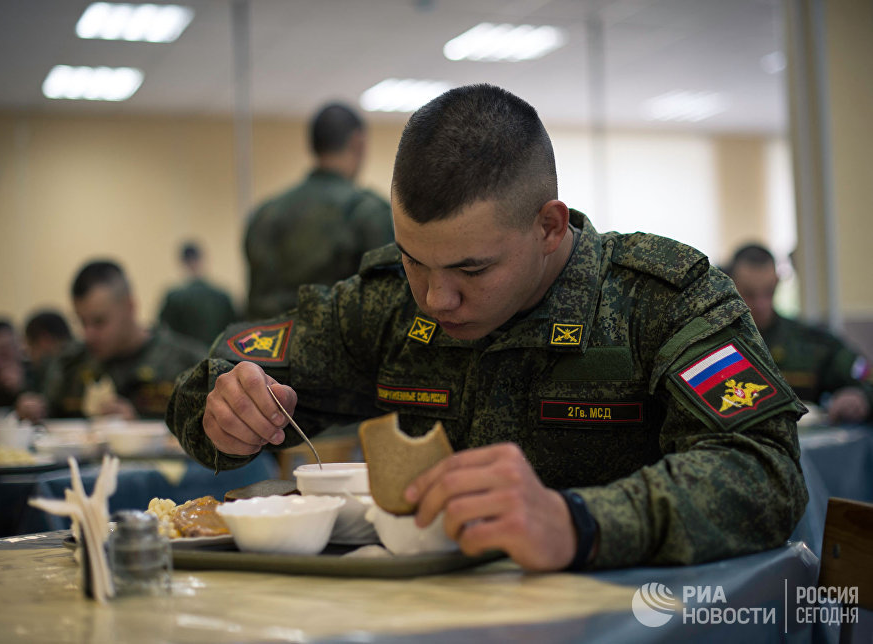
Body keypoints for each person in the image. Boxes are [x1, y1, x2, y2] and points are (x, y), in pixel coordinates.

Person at [168, 84, 807, 572]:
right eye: (414, 260)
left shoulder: (663, 301)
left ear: (550, 225)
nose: (436, 297)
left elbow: (764, 473)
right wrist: (223, 409)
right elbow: (214, 376)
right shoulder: (387, 306)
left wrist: (579, 521)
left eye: (472, 268)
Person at [244, 102, 394, 319]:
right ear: (358, 142)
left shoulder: (266, 214)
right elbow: (386, 303)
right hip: (338, 350)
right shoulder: (366, 212)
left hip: (268, 348)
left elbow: (256, 300)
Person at [18, 260, 206, 421]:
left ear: (130, 307)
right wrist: (35, 410)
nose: (88, 334)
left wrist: (139, 425)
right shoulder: (70, 364)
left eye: (99, 322)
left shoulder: (188, 363)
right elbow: (50, 417)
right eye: (82, 322)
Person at [728, 243, 872, 423]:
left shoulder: (811, 342)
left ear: (777, 283)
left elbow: (865, 377)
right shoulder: (713, 343)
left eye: (769, 292)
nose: (761, 305)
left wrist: (861, 397)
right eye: (749, 294)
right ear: (729, 287)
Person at [158, 242, 239, 347]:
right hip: (218, 357)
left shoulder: (174, 298)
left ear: (183, 263)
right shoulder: (222, 296)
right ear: (202, 259)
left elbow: (164, 333)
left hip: (186, 359)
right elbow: (235, 330)